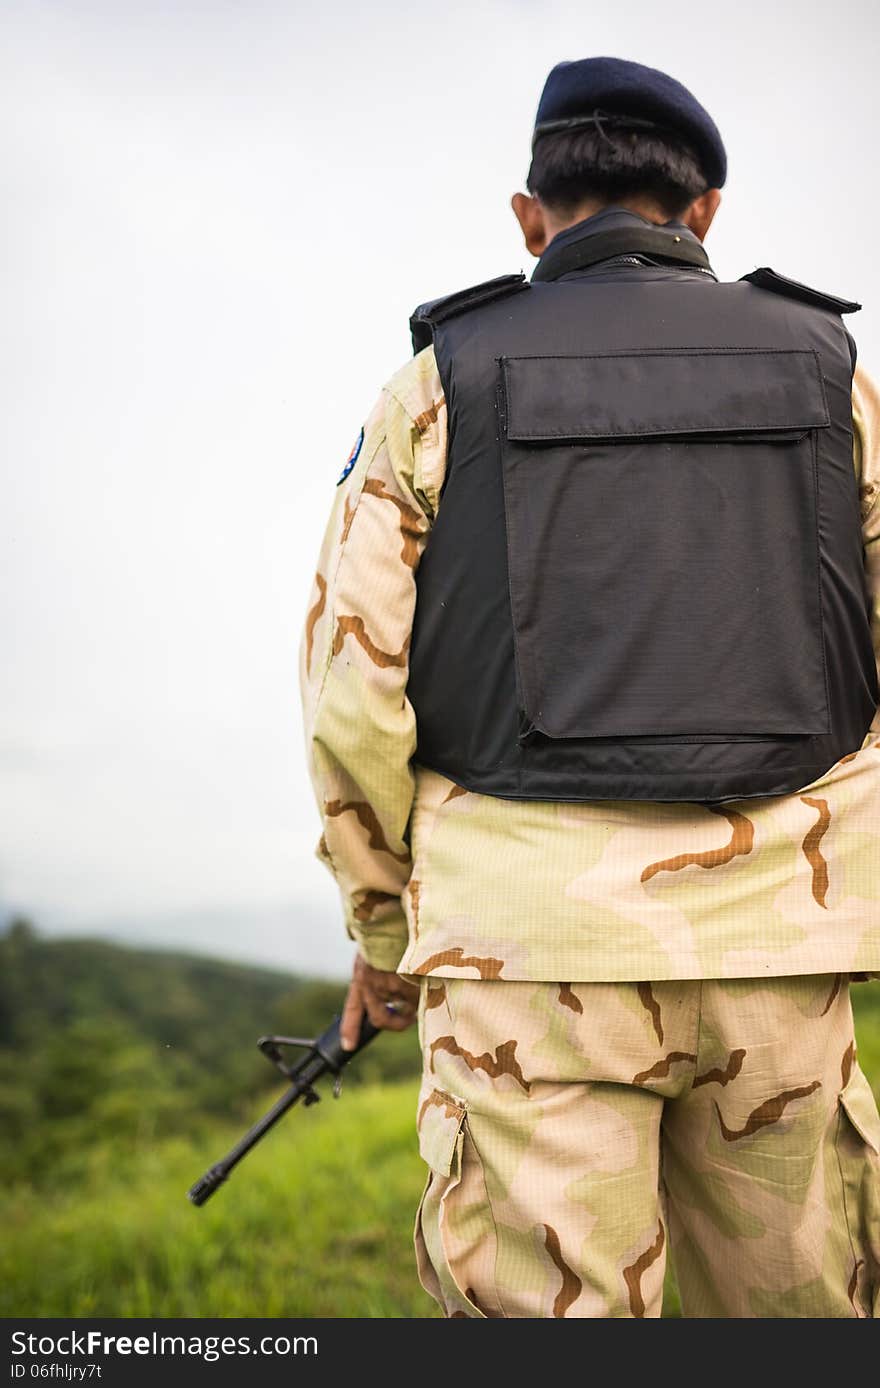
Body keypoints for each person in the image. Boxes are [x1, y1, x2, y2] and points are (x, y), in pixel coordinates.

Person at [298, 56, 880, 1318]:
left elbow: (353, 687)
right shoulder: (832, 375)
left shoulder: (438, 383)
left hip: (525, 954)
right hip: (781, 943)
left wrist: (388, 935)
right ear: (705, 211)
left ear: (529, 214)